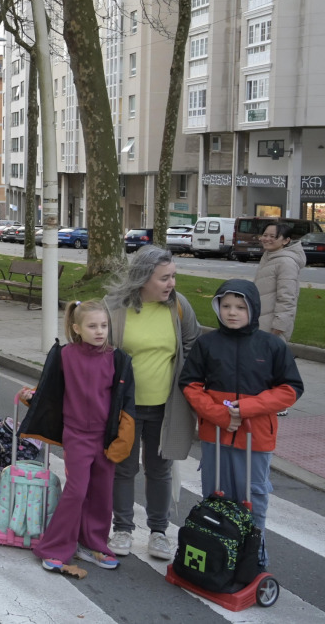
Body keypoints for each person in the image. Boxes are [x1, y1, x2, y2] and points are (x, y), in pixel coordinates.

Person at [179, 279, 303, 567]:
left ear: (253, 309)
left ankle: (253, 555)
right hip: (216, 434)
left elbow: (291, 389)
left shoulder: (271, 345)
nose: (232, 312)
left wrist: (246, 409)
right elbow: (190, 384)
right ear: (217, 307)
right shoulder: (207, 344)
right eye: (225, 306)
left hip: (255, 436)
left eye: (240, 307)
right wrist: (221, 415)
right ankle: (217, 552)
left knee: (253, 497)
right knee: (216, 495)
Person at [19, 300, 136, 573]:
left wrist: (122, 437)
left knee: (102, 493)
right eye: (92, 326)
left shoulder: (117, 359)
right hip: (76, 435)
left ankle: (94, 544)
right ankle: (56, 547)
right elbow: (51, 391)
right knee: (77, 491)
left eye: (104, 326)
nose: (99, 331)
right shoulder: (64, 355)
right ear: (76, 328)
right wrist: (32, 399)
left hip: (105, 437)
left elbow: (125, 401)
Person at [103, 245, 201, 561]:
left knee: (160, 469)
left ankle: (159, 532)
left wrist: (183, 376)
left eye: (173, 276)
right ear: (144, 278)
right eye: (164, 278)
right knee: (124, 467)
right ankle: (122, 528)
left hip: (165, 407)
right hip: (126, 407)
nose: (171, 284)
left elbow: (193, 341)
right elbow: (99, 347)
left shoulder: (179, 307)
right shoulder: (115, 306)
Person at [254, 221, 305, 342]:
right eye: (265, 235)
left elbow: (287, 298)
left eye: (273, 236)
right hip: (259, 322)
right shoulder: (269, 256)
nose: (267, 239)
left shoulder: (286, 263)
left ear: (286, 241)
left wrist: (278, 328)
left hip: (272, 328)